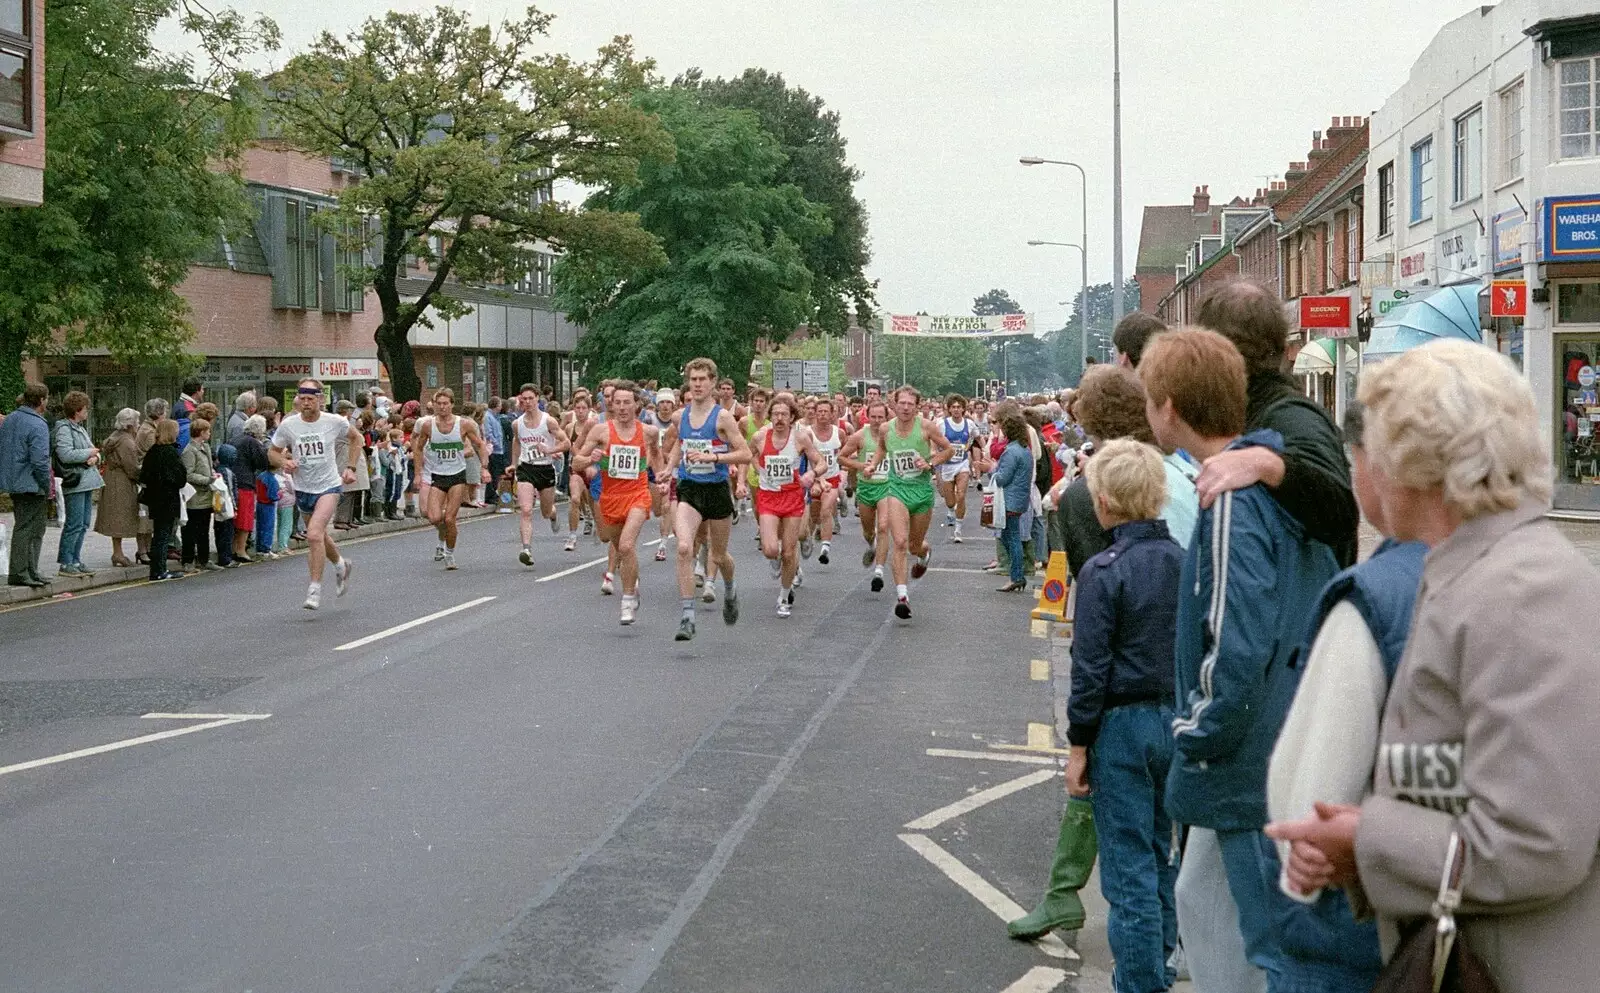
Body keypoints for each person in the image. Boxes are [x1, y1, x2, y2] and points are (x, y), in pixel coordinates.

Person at [1268, 340, 1600, 992]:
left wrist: (1368, 838)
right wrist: (1358, 854)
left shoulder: (1517, 588)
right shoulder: (1480, 570)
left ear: (1413, 456)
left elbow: (1537, 842)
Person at [1139, 328, 1339, 993]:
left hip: (1247, 757)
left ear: (1168, 406)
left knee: (1273, 944)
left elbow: (1237, 640)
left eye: (1147, 399)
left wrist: (1192, 729)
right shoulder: (1266, 475)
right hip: (1277, 737)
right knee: (1201, 899)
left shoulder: (1231, 497)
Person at [1054, 439, 1183, 993]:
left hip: (1122, 727)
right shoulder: (1185, 561)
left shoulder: (1104, 573)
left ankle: (1139, 982)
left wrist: (1078, 746)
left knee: (1126, 868)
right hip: (1176, 720)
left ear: (1103, 503)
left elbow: (1090, 673)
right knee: (1161, 853)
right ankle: (1162, 962)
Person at [1195, 282, 1357, 567]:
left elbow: (1339, 510)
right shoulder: (1252, 410)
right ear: (1284, 348)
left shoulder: (1290, 416)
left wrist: (1271, 466)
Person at [660, 358, 751, 640]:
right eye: (693, 379)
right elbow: (679, 444)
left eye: (702, 379)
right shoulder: (681, 416)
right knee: (685, 547)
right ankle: (687, 616)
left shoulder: (722, 417)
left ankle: (731, 588)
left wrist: (715, 456)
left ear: (713, 382)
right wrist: (668, 468)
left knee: (718, 555)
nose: (697, 384)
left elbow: (746, 453)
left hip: (716, 489)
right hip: (689, 488)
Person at [571, 381, 659, 625]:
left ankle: (628, 599)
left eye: (626, 402)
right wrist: (591, 458)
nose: (621, 407)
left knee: (627, 545)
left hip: (638, 494)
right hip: (611, 497)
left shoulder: (648, 432)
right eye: (617, 402)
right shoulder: (601, 431)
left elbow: (657, 455)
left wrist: (661, 476)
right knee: (620, 546)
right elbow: (576, 463)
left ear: (636, 404)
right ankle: (633, 585)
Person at [270, 378, 362, 610]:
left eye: (311, 398)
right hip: (303, 488)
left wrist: (350, 467)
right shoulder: (289, 425)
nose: (306, 403)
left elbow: (357, 438)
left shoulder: (334, 421)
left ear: (321, 399)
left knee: (313, 535)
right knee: (319, 535)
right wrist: (285, 461)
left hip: (329, 486)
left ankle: (314, 589)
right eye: (303, 398)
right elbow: (272, 452)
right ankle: (341, 564)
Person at [864, 386, 954, 619]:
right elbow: (882, 449)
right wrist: (873, 464)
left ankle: (924, 553)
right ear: (894, 405)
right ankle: (902, 597)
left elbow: (949, 449)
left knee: (915, 545)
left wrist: (931, 463)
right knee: (901, 542)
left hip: (922, 492)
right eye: (901, 403)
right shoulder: (886, 428)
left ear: (917, 407)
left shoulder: (926, 427)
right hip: (897, 490)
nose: (905, 407)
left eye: (910, 404)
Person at [750, 395, 823, 618]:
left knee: (790, 551)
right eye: (775, 414)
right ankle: (778, 562)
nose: (779, 418)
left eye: (784, 414)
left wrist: (812, 473)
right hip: (769, 497)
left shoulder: (800, 438)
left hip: (792, 498)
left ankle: (784, 595)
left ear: (792, 417)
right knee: (771, 549)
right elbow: (749, 454)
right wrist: (758, 468)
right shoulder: (760, 437)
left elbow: (821, 462)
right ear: (770, 416)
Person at [411, 388, 491, 570]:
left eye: (445, 404)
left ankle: (449, 553)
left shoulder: (464, 425)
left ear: (452, 405)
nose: (442, 407)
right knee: (433, 517)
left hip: (457, 475)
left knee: (449, 518)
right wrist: (418, 473)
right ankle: (444, 536)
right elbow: (418, 448)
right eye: (439, 404)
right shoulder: (427, 425)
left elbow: (480, 445)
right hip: (437, 475)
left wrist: (484, 468)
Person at [509, 382, 571, 568]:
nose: (527, 402)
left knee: (545, 511)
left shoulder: (548, 421)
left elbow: (566, 443)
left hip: (545, 469)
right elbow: (517, 442)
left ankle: (552, 515)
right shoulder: (517, 424)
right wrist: (513, 464)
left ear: (537, 399)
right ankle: (526, 549)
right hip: (526, 468)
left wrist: (550, 450)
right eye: (524, 399)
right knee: (526, 510)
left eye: (531, 398)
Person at [837, 398, 893, 591]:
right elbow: (841, 457)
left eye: (881, 417)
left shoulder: (893, 436)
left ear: (887, 418)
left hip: (887, 486)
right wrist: (862, 465)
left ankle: (879, 570)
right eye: (873, 417)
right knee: (869, 531)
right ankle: (872, 545)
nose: (877, 421)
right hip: (866, 487)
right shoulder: (860, 436)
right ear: (867, 417)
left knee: (884, 526)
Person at [0, 383, 53, 587]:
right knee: (30, 529)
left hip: (14, 480)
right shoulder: (38, 424)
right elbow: (39, 461)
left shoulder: (11, 419)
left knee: (29, 527)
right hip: (31, 483)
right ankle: (22, 571)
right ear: (41, 400)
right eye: (46, 398)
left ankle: (29, 570)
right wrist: (46, 485)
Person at [52, 390, 105, 577]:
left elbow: (96, 451)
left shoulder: (80, 428)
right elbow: (65, 454)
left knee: (83, 523)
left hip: (86, 481)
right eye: (85, 408)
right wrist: (89, 454)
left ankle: (75, 558)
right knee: (73, 523)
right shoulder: (64, 429)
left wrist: (95, 457)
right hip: (75, 481)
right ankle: (66, 562)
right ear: (77, 410)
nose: (88, 411)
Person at [989, 409, 1034, 593]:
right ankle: (1017, 574)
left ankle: (1016, 576)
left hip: (1009, 500)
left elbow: (1002, 478)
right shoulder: (1025, 450)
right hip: (1020, 498)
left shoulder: (1011, 451)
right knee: (1010, 536)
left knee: (1011, 538)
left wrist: (991, 469)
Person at [138, 418, 187, 582]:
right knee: (163, 536)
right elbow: (180, 478)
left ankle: (158, 569)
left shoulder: (153, 451)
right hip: (167, 498)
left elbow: (144, 475)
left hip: (154, 497)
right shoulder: (170, 453)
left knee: (159, 534)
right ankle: (159, 570)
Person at [96, 407, 143, 568]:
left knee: (115, 516)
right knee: (120, 516)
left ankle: (117, 552)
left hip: (111, 478)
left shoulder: (115, 437)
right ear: (130, 424)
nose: (138, 424)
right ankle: (118, 553)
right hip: (122, 481)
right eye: (137, 421)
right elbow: (132, 467)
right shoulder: (127, 441)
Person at [181, 419, 220, 573]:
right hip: (194, 497)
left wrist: (213, 475)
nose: (210, 433)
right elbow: (188, 474)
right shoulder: (189, 451)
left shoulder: (206, 448)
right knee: (190, 531)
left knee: (204, 530)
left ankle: (204, 559)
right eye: (208, 431)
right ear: (201, 432)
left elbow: (209, 467)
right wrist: (207, 480)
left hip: (206, 495)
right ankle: (188, 560)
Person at [937, 395, 978, 542]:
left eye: (958, 407)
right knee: (950, 501)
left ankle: (958, 530)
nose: (956, 410)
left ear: (963, 409)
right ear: (949, 409)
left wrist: (980, 449)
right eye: (953, 407)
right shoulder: (942, 424)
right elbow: (934, 442)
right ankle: (950, 510)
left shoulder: (969, 424)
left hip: (962, 464)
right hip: (947, 465)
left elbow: (977, 438)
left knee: (961, 495)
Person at [230, 411, 270, 562]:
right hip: (246, 482)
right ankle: (241, 550)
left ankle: (234, 548)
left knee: (235, 517)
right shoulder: (253, 443)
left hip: (233, 482)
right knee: (245, 518)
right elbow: (262, 462)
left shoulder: (235, 439)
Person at [563, 390, 599, 551]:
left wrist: (591, 462)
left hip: (594, 469)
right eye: (577, 408)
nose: (580, 411)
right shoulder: (570, 427)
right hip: (577, 468)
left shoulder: (595, 426)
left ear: (589, 410)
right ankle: (572, 536)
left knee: (594, 502)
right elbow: (568, 446)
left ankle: (595, 521)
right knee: (575, 499)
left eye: (583, 408)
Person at [134, 398, 168, 565]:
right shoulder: (148, 432)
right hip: (147, 479)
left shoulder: (151, 428)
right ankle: (142, 550)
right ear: (159, 413)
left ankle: (147, 549)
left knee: (149, 519)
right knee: (144, 518)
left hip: (149, 478)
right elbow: (152, 455)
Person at [174, 379, 204, 450]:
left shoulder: (181, 404)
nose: (203, 392)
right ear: (197, 391)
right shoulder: (188, 409)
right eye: (202, 389)